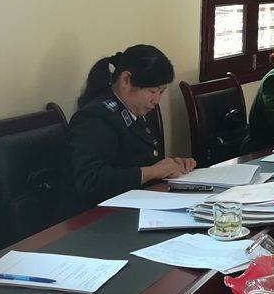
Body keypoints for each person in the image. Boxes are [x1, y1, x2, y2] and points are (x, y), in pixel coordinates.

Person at [68, 45, 195, 207]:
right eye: (152, 91)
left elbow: (143, 159)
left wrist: (171, 167)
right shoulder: (94, 118)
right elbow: (91, 181)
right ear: (126, 80)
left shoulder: (136, 109)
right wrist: (153, 171)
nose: (156, 101)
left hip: (139, 202)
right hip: (104, 213)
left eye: (161, 92)